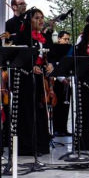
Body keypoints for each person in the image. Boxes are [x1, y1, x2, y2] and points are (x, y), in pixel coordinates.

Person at [12, 8, 53, 156]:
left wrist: (50, 64)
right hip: (26, 78)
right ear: (30, 20)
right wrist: (31, 66)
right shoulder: (23, 36)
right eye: (37, 18)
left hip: (41, 78)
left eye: (42, 18)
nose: (41, 21)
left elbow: (52, 55)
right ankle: (27, 146)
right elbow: (18, 58)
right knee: (28, 111)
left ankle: (41, 144)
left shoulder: (45, 37)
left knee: (41, 110)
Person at [52, 31, 72, 136]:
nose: (67, 41)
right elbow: (54, 65)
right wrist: (62, 78)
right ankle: (56, 128)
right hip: (58, 81)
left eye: (68, 39)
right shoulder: (55, 49)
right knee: (57, 106)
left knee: (66, 105)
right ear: (59, 39)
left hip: (68, 81)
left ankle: (64, 128)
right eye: (65, 39)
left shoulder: (70, 50)